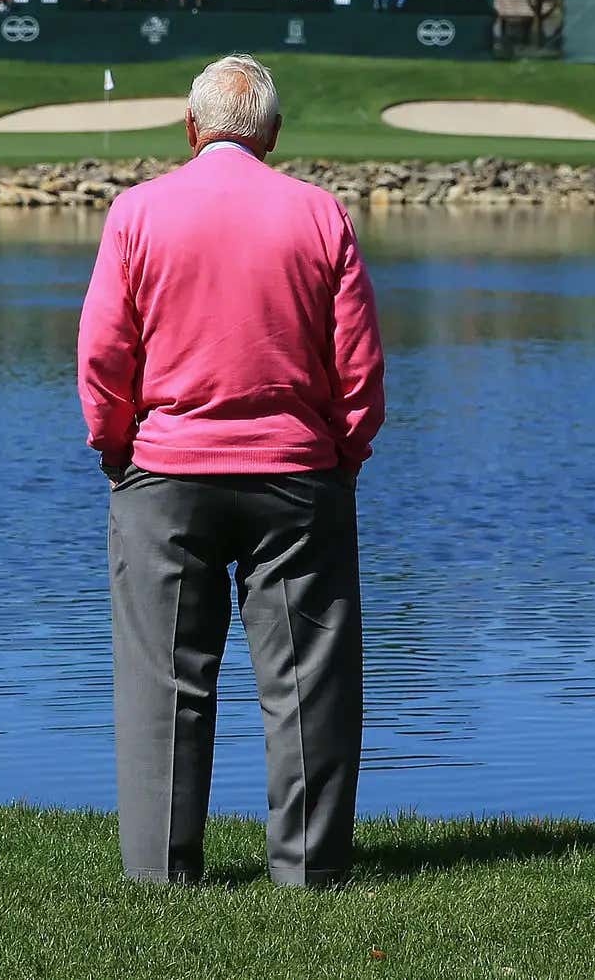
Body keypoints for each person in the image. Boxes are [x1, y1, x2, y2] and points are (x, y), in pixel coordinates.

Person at [77, 54, 384, 888]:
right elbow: (358, 366)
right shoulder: (320, 214)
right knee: (308, 684)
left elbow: (104, 354)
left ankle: (161, 874)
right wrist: (345, 455)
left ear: (190, 128)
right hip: (298, 474)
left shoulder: (137, 212)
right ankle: (308, 872)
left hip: (165, 471)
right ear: (272, 135)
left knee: (163, 683)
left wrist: (115, 448)